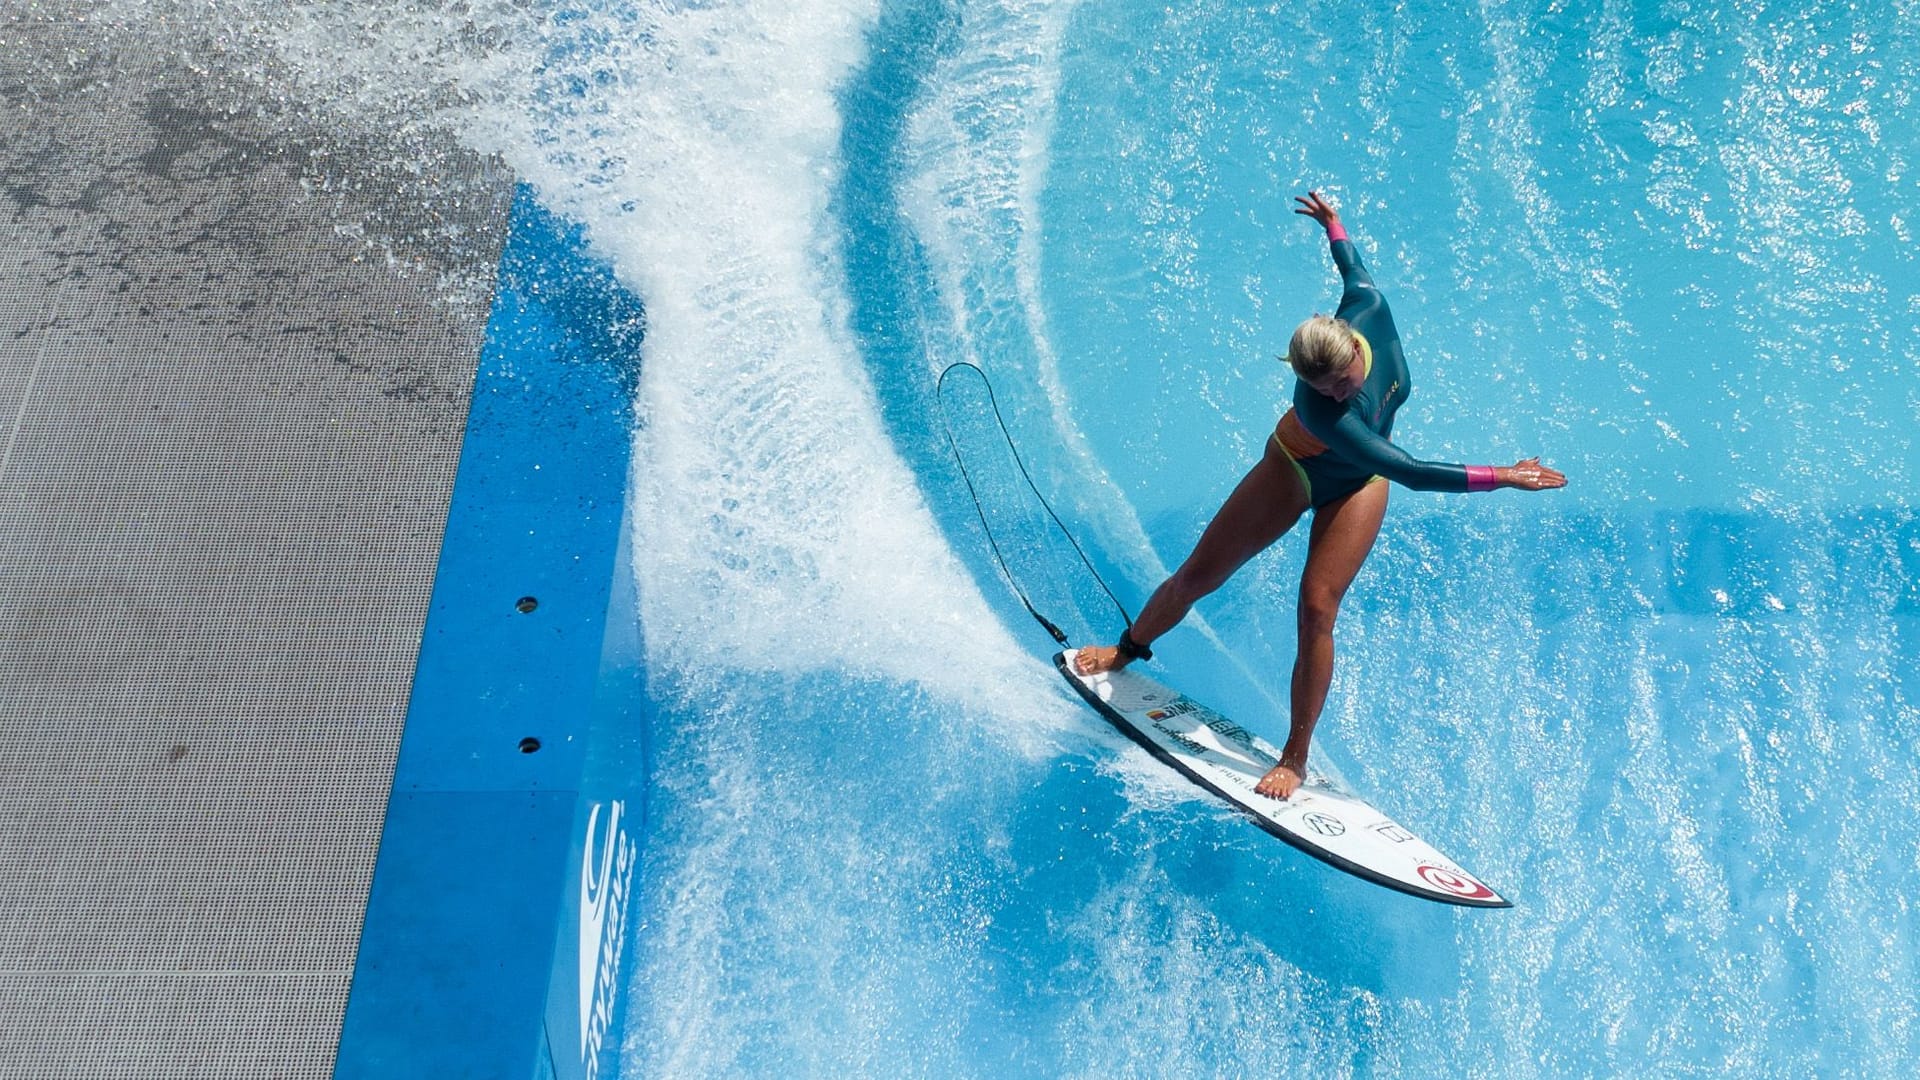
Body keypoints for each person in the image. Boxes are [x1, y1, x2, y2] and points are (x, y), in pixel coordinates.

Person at [1073, 189, 1566, 800]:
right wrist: (1504, 474)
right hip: (1296, 470)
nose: (1334, 395)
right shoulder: (1319, 409)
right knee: (1198, 576)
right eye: (1319, 388)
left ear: (1351, 346)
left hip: (1360, 479)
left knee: (1316, 609)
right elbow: (1411, 471)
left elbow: (1352, 268)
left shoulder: (1369, 309)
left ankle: (1295, 758)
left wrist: (1334, 223)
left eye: (1338, 383)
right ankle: (1127, 650)